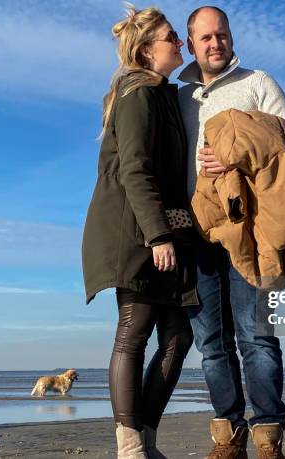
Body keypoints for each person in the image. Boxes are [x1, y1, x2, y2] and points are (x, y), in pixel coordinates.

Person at [178, 6, 285, 459]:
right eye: (206, 38)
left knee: (257, 336)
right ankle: (227, 440)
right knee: (211, 343)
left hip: (251, 230)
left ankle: (267, 437)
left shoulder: (258, 83)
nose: (216, 44)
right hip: (196, 233)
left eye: (222, 35)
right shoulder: (180, 98)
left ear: (232, 38)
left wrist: (236, 158)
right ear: (191, 45)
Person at [82, 5, 197, 458]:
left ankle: (144, 439)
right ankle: (130, 447)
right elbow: (134, 169)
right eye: (173, 37)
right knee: (134, 330)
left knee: (178, 337)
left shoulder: (161, 95)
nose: (180, 43)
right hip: (132, 231)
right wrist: (158, 235)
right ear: (147, 50)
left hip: (159, 229)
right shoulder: (137, 94)